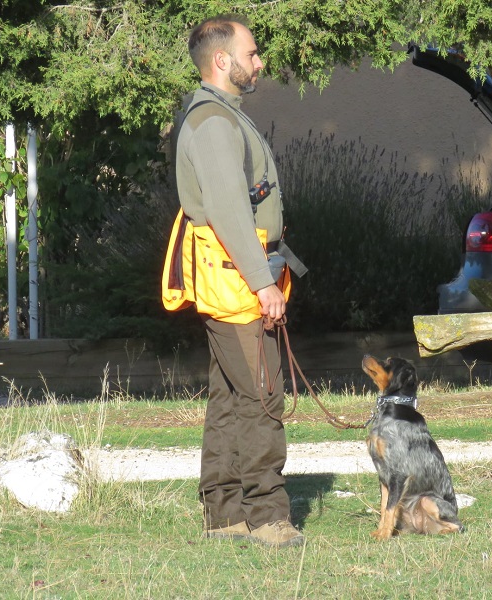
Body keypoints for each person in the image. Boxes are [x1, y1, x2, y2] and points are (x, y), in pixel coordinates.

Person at [174, 15, 304, 546]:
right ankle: (268, 520)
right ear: (222, 61)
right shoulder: (213, 123)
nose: (260, 62)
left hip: (233, 276)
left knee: (230, 398)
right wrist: (262, 282)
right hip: (238, 279)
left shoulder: (220, 117)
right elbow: (228, 211)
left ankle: (225, 516)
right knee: (262, 397)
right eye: (251, 54)